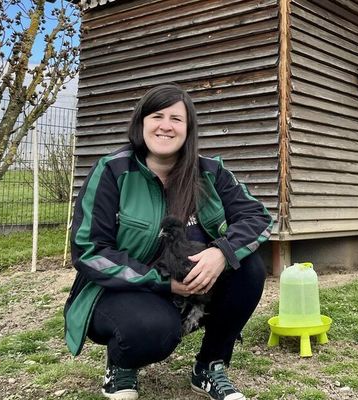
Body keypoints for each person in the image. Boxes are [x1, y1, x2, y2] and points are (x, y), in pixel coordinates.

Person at [64, 83, 274, 400]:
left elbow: (258, 217)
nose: (166, 125)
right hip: (124, 289)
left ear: (188, 129)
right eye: (157, 116)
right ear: (141, 123)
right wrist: (164, 283)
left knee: (248, 268)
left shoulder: (210, 172)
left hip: (193, 284)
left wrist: (221, 252)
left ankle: (210, 367)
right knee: (152, 333)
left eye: (176, 119)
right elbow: (89, 251)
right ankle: (121, 365)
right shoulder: (112, 171)